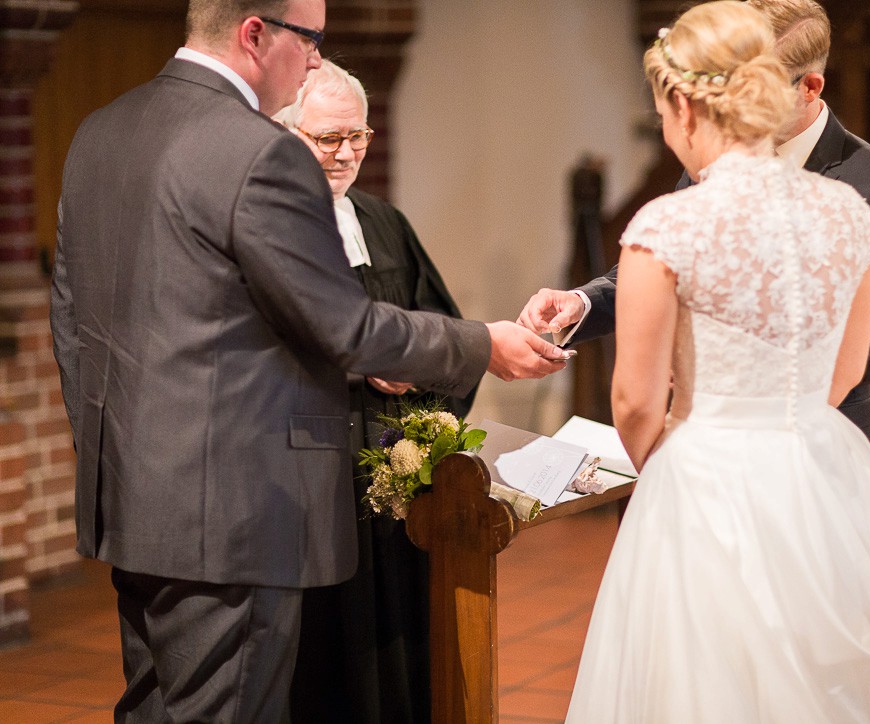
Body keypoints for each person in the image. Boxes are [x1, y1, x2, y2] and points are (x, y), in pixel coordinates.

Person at [48, 1, 567, 721]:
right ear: (255, 34)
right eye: (311, 39)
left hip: (135, 499)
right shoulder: (259, 150)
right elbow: (345, 326)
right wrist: (486, 344)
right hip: (233, 512)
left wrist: (107, 454)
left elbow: (73, 323)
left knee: (155, 709)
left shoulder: (101, 131)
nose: (318, 59)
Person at [564, 3, 870, 721]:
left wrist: (678, 467)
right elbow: (841, 374)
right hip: (824, 471)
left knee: (705, 681)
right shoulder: (849, 216)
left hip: (703, 472)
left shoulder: (666, 221)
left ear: (683, 103)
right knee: (825, 668)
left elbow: (636, 403)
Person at [518, 0, 870, 486]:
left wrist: (717, 395)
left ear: (810, 87)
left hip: (822, 461)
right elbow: (674, 261)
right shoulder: (707, 162)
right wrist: (584, 301)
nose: (735, 101)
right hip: (709, 452)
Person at [271, 60, 461, 722]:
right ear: (283, 133)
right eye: (329, 139)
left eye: (359, 136)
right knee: (326, 656)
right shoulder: (261, 226)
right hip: (305, 483)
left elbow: (439, 325)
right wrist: (356, 364)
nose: (347, 152)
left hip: (391, 474)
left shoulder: (381, 222)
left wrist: (421, 369)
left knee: (400, 645)